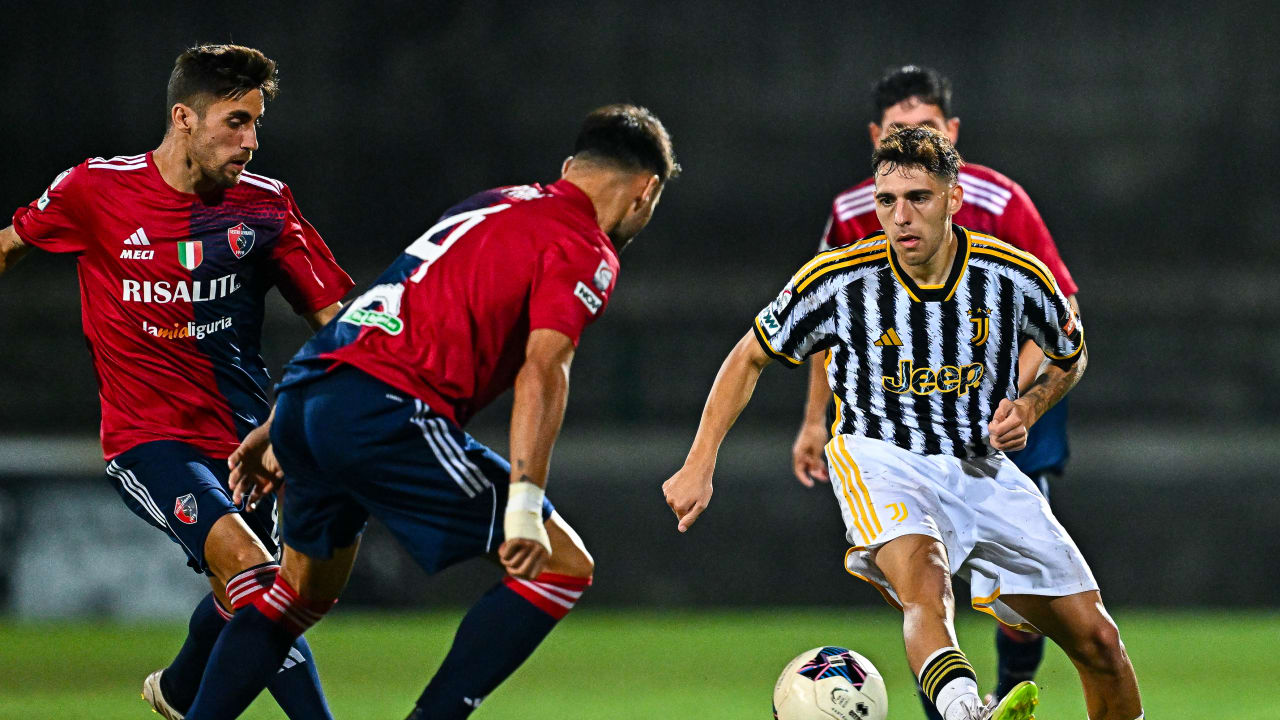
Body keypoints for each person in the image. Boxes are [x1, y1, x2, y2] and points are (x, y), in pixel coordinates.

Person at [181, 103, 679, 720]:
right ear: (646, 190)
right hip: (385, 408)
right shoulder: (586, 246)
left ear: (570, 166)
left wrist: (280, 420)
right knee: (560, 566)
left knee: (296, 596)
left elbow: (387, 305)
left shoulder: (493, 201)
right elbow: (545, 367)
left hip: (317, 386)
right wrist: (524, 501)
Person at [664, 126, 1142, 720]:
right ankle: (968, 713)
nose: (901, 216)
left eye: (918, 197)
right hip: (880, 458)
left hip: (980, 467)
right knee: (927, 581)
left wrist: (1029, 406)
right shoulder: (837, 279)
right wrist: (699, 461)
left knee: (1099, 643)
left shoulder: (1014, 276)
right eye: (887, 201)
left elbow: (1071, 356)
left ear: (953, 198)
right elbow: (750, 354)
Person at [0, 44, 353, 719]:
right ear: (183, 117)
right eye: (235, 121)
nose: (251, 140)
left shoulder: (266, 208)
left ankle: (181, 688)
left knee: (237, 598)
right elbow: (9, 244)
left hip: (248, 445)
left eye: (256, 123)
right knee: (262, 584)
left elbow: (337, 323)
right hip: (149, 440)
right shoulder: (94, 191)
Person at [792, 65, 1079, 716]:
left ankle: (1005, 691)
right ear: (875, 138)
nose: (913, 145)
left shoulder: (1001, 203)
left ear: (951, 133)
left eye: (925, 131)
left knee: (1023, 602)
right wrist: (816, 420)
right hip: (912, 418)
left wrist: (1018, 396)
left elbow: (1059, 316)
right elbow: (823, 323)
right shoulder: (854, 214)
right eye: (898, 132)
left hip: (1006, 411)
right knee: (924, 586)